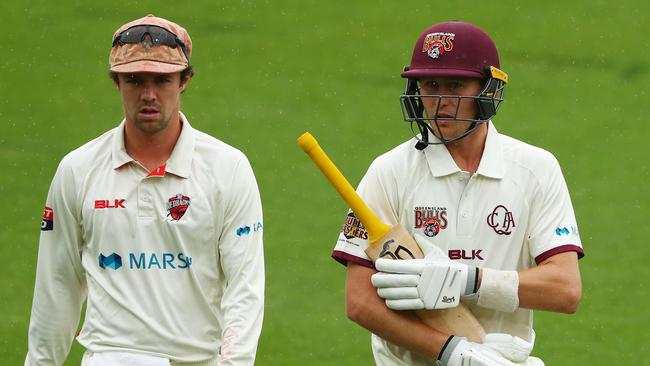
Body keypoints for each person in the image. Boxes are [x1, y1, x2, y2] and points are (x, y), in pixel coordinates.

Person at [332, 21, 583, 365]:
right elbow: (359, 301)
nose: (439, 102)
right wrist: (450, 351)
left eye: (455, 85)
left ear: (488, 90)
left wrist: (469, 280)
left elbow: (565, 289)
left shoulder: (535, 170)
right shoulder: (389, 172)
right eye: (430, 85)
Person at [25, 14, 265, 366]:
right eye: (135, 80)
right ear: (116, 82)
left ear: (184, 81)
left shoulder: (228, 169)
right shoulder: (77, 170)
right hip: (110, 357)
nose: (149, 95)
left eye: (162, 80)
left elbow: (244, 289)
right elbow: (57, 287)